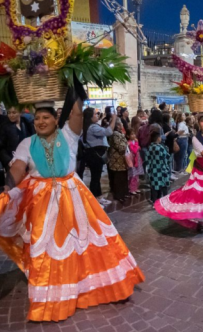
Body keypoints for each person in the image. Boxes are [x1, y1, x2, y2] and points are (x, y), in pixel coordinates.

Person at [0, 101, 144, 321]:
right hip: (40, 200)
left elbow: (76, 112)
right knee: (43, 245)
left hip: (72, 195)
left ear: (56, 120)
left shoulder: (68, 135)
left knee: (84, 242)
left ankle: (93, 286)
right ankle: (49, 297)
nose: (40, 121)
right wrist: (8, 188)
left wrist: (72, 76)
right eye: (37, 118)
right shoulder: (27, 143)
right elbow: (18, 167)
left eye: (45, 117)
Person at [83, 107, 116, 206]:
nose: (97, 115)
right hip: (95, 155)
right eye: (95, 114)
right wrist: (114, 119)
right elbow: (108, 132)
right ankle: (95, 199)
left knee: (96, 177)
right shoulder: (92, 127)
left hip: (93, 154)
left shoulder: (89, 126)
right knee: (95, 177)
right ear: (90, 116)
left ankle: (98, 197)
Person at [0, 106, 35, 173]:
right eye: (9, 113)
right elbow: (1, 148)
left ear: (20, 112)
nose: (11, 115)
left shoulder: (27, 124)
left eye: (14, 112)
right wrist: (8, 161)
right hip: (13, 162)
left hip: (29, 161)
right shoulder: (4, 127)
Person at [145, 124, 170, 203]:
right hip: (162, 170)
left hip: (153, 170)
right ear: (158, 138)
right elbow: (167, 158)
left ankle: (154, 201)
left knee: (154, 186)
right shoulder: (161, 148)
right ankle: (165, 200)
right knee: (164, 186)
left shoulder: (150, 148)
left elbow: (147, 159)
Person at [107, 118, 129, 202]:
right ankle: (119, 195)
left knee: (122, 177)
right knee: (119, 178)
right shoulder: (115, 134)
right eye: (121, 124)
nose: (123, 125)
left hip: (120, 160)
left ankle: (123, 194)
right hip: (117, 160)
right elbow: (119, 146)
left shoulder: (119, 133)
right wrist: (128, 144)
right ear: (118, 125)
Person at [126, 128, 144, 195]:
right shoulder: (129, 143)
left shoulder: (135, 141)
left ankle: (136, 187)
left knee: (137, 175)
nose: (133, 135)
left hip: (137, 160)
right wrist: (136, 145)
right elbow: (134, 150)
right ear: (128, 136)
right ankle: (131, 188)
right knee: (132, 175)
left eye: (134, 134)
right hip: (132, 161)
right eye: (132, 134)